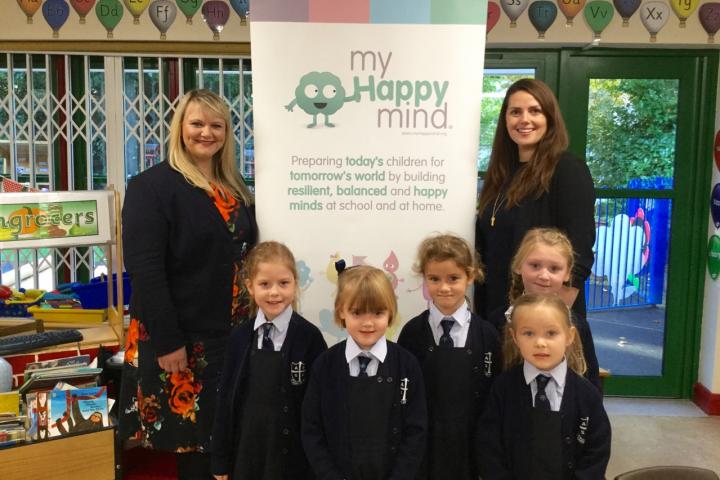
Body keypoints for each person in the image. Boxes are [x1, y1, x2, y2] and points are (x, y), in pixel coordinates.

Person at [119, 89, 257, 479]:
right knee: (194, 448)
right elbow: (145, 268)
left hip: (229, 335)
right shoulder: (153, 186)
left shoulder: (235, 187)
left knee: (224, 440)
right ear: (179, 127)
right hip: (181, 339)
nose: (206, 133)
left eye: (217, 125)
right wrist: (168, 342)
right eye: (197, 123)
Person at [475, 78, 596, 331]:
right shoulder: (499, 176)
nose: (524, 119)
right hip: (497, 315)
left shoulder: (567, 170)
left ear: (550, 118)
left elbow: (579, 255)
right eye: (515, 112)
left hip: (542, 321)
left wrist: (548, 323)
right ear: (505, 120)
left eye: (535, 111)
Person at [211, 241, 327, 480]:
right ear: (250, 287)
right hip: (247, 454)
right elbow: (225, 401)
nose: (274, 292)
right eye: (265, 284)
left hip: (294, 458)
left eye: (283, 283)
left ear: (295, 283)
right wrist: (220, 459)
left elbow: (320, 408)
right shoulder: (239, 338)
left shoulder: (310, 338)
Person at [302, 264, 427, 480]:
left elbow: (415, 432)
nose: (367, 323)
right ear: (342, 310)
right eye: (357, 312)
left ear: (390, 312)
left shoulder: (407, 365)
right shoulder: (324, 365)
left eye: (377, 312)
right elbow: (312, 430)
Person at [397, 233, 500, 479]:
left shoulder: (487, 335)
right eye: (434, 279)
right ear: (424, 279)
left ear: (471, 276)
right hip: (425, 449)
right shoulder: (411, 333)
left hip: (471, 449)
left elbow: (493, 398)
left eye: (453, 278)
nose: (444, 287)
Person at [477, 293, 611, 480]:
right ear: (514, 337)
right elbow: (489, 446)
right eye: (528, 333)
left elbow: (596, 452)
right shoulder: (503, 388)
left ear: (569, 336)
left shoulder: (587, 395)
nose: (540, 343)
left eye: (551, 333)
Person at [492, 228, 601, 389]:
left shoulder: (577, 325)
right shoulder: (497, 321)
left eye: (554, 269)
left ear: (567, 274)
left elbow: (591, 385)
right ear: (518, 266)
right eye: (535, 265)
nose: (544, 275)